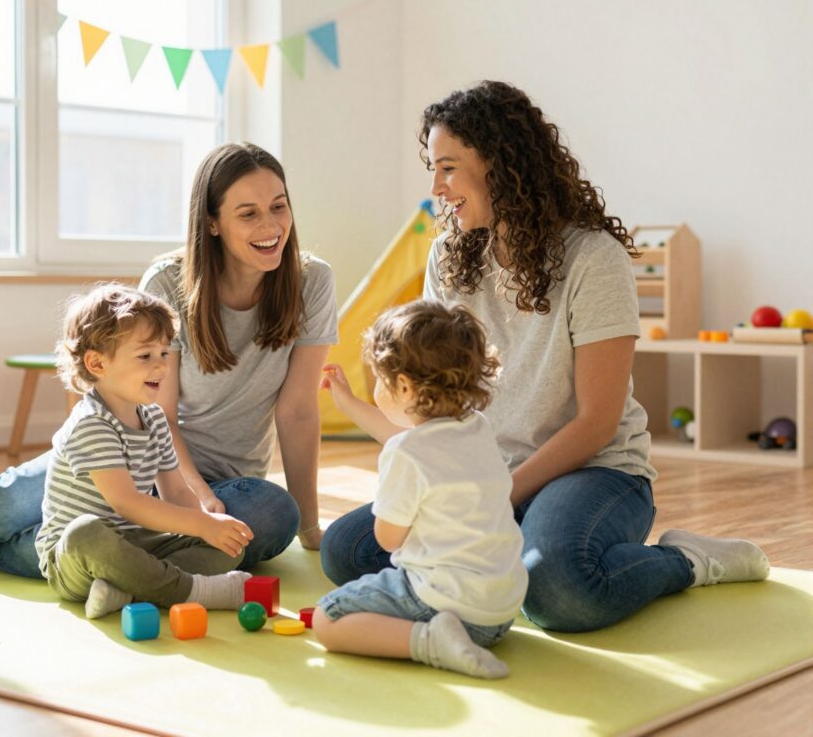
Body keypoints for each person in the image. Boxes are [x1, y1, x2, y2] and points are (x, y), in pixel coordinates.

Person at [320, 81, 770, 633]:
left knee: (558, 590)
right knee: (347, 551)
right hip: (479, 469)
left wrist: (498, 496)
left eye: (448, 168)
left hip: (594, 470)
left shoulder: (592, 258)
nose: (437, 187)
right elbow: (435, 400)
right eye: (433, 169)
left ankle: (686, 561)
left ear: (500, 164)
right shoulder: (448, 255)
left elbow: (596, 423)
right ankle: (497, 564)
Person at [0, 142, 338, 578]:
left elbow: (296, 411)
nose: (271, 225)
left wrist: (310, 527)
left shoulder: (313, 281)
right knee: (14, 499)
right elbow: (159, 410)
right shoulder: (169, 281)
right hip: (129, 451)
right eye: (248, 212)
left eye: (279, 205)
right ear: (214, 222)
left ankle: (16, 553)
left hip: (228, 481)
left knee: (273, 517)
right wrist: (192, 499)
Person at [313, 299, 526, 679]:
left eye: (379, 379)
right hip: (497, 614)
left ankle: (430, 641)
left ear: (405, 387)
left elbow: (389, 538)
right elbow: (410, 438)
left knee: (328, 618)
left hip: (445, 605)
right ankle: (446, 636)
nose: (376, 386)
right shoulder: (475, 427)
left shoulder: (405, 454)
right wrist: (348, 403)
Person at [37, 282, 253, 619]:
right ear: (96, 364)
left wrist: (208, 525)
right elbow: (128, 502)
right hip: (75, 558)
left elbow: (177, 490)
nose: (161, 366)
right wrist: (199, 524)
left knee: (227, 547)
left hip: (134, 542)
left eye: (164, 353)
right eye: (145, 356)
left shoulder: (152, 416)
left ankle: (125, 588)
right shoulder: (91, 424)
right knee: (86, 532)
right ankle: (193, 591)